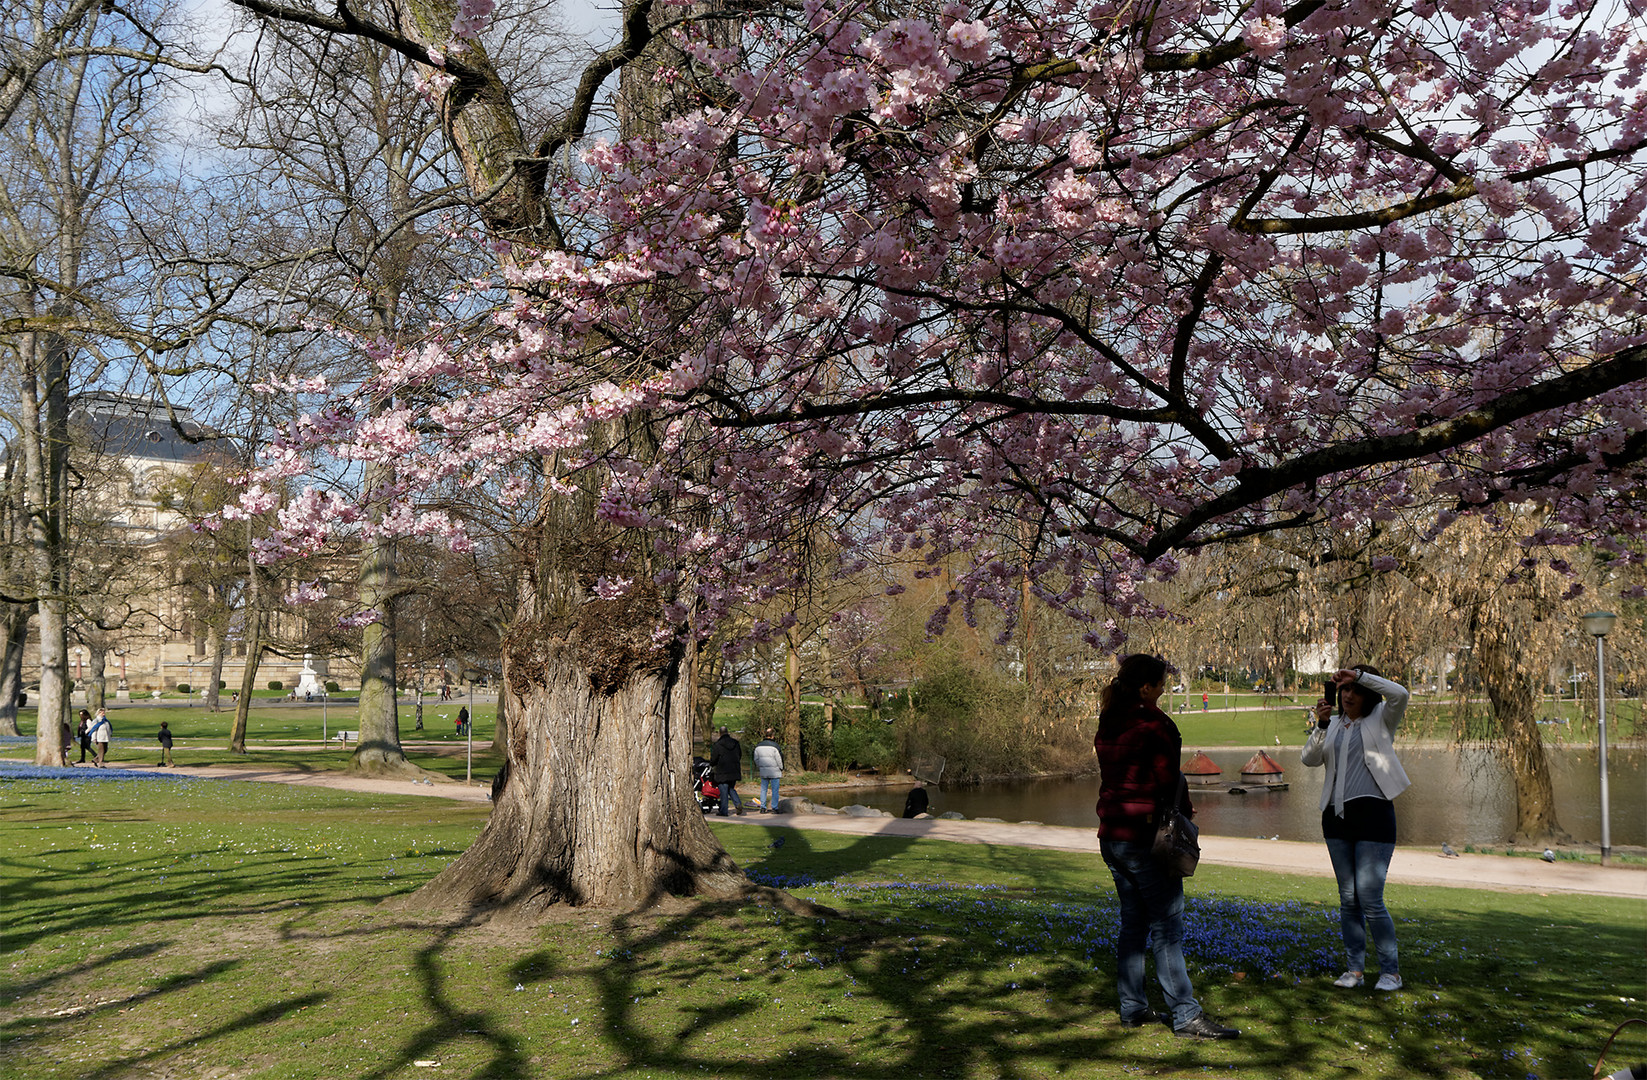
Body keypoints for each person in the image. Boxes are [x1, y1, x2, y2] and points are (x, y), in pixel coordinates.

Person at [1095, 653, 1238, 1040]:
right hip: (1144, 839)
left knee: (1132, 922)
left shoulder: (1109, 720)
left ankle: (1132, 1007)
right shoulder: (1155, 725)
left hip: (1112, 835)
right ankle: (1185, 1015)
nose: (1165, 689)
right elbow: (1167, 784)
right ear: (1146, 687)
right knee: (1167, 927)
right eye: (1161, 684)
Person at [1302, 665, 1411, 993]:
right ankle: (1355, 970)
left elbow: (1400, 694)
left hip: (1374, 816)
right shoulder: (1331, 724)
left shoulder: (1382, 719)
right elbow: (1309, 759)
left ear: (1366, 693)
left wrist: (1359, 676)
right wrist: (1321, 725)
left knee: (1370, 898)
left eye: (1354, 690)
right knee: (1348, 898)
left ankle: (1390, 972)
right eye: (1344, 690)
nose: (1347, 696)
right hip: (1336, 819)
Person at [709, 725, 745, 816]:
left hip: (722, 771)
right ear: (727, 732)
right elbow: (739, 755)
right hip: (734, 770)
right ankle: (737, 803)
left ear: (720, 733)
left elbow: (714, 759)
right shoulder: (736, 743)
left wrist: (712, 764)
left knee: (723, 791)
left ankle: (724, 811)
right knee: (731, 788)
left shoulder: (717, 745)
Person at [752, 728, 784, 812]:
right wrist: (781, 768)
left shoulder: (758, 746)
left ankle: (763, 807)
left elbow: (756, 759)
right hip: (775, 771)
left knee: (763, 789)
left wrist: (760, 766)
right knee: (775, 790)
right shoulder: (775, 746)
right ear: (773, 736)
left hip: (764, 770)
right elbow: (779, 760)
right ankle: (774, 807)